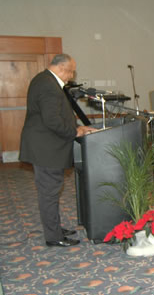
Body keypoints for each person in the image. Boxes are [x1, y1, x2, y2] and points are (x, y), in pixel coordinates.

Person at [19, 53, 97, 247]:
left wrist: (77, 126)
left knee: (50, 190)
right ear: (62, 68)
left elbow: (57, 115)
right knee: (49, 192)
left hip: (46, 146)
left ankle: (54, 229)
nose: (71, 77)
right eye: (71, 72)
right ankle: (54, 237)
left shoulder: (44, 80)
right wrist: (76, 131)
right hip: (46, 148)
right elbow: (52, 120)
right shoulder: (48, 85)